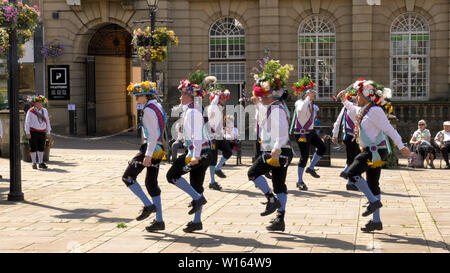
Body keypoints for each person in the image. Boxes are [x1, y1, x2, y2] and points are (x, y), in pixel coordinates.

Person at [337, 79, 410, 232]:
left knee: (351, 173)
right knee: (372, 184)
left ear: (367, 97)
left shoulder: (375, 111)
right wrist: (344, 100)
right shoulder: (364, 110)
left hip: (375, 150)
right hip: (371, 150)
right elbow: (352, 109)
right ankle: (376, 221)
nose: (356, 98)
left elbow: (390, 129)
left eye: (357, 95)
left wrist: (402, 146)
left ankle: (373, 201)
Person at [247, 60, 294, 232]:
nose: (260, 98)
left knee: (252, 173)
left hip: (278, 151)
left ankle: (271, 199)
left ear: (271, 96)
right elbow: (262, 121)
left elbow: (282, 132)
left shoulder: (277, 110)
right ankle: (280, 219)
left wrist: (276, 147)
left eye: (262, 96)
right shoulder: (272, 107)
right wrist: (257, 104)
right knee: (279, 184)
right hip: (278, 150)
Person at [166, 78, 212, 233]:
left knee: (172, 175)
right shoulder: (191, 110)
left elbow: (197, 135)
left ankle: (198, 199)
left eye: (182, 94)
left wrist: (195, 156)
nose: (180, 97)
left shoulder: (193, 112)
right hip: (203, 152)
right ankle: (197, 221)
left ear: (189, 96)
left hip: (197, 153)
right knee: (196, 185)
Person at [122, 81, 167, 231]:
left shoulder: (148, 110)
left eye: (137, 95)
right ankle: (159, 221)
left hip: (151, 148)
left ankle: (148, 206)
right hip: (159, 149)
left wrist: (147, 155)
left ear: (145, 95)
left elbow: (153, 134)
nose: (135, 98)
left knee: (128, 177)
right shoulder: (158, 105)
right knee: (151, 183)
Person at [291, 76, 326, 191]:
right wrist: (307, 98)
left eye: (313, 93)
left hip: (310, 132)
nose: (313, 95)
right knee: (304, 156)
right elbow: (301, 110)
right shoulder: (299, 103)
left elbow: (314, 111)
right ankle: (299, 181)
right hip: (301, 133)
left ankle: (310, 168)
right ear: (305, 94)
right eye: (311, 93)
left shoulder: (312, 105)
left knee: (322, 147)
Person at [332, 86, 360, 191]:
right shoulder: (356, 108)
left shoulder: (345, 108)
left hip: (347, 136)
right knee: (355, 160)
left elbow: (337, 122)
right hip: (354, 138)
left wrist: (335, 135)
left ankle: (349, 180)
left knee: (351, 159)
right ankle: (347, 175)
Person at [207, 87, 233, 191]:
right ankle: (212, 182)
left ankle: (218, 168)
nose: (224, 100)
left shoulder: (220, 108)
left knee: (228, 152)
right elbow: (214, 102)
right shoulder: (212, 107)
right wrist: (218, 94)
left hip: (220, 136)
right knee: (212, 159)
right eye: (223, 99)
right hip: (212, 137)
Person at [25, 95, 51, 169]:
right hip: (33, 131)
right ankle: (33, 163)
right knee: (33, 147)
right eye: (38, 102)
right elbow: (27, 122)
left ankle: (41, 162)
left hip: (42, 132)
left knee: (41, 148)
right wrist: (28, 132)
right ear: (34, 103)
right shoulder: (30, 111)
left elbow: (47, 121)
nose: (40, 104)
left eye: (41, 102)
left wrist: (48, 131)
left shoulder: (45, 110)